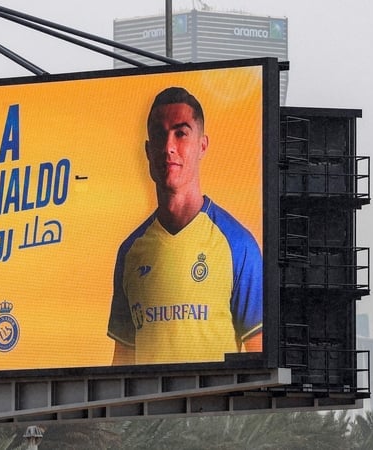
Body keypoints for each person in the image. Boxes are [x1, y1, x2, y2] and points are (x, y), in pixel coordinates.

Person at [107, 87, 263, 365]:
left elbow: (261, 358)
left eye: (181, 133)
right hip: (149, 408)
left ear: (202, 145)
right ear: (147, 150)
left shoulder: (238, 245)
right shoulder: (131, 251)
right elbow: (122, 361)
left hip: (216, 408)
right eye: (159, 134)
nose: (168, 146)